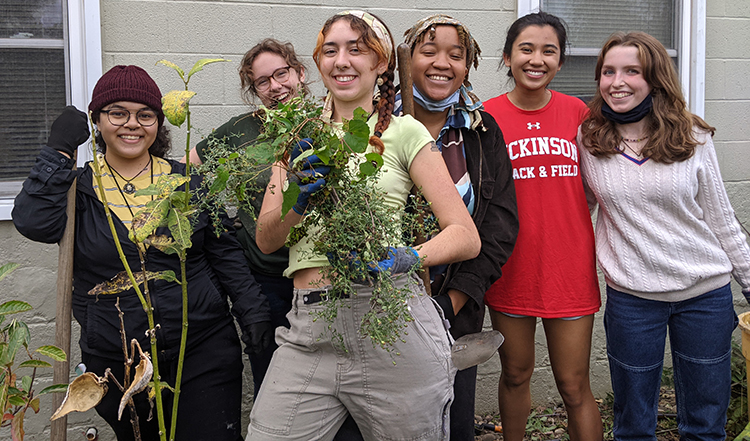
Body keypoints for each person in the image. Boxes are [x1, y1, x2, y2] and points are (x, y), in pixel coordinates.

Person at [246, 10, 481, 441]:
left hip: (392, 320)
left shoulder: (407, 132)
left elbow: (465, 236)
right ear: (317, 63)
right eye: (330, 50)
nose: (342, 61)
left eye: (357, 49)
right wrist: (300, 200)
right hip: (310, 327)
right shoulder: (297, 135)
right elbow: (266, 239)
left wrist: (407, 257)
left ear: (381, 63)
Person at [13, 65, 272, 441]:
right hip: (118, 359)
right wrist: (58, 153)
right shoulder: (78, 190)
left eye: (144, 114)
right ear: (96, 121)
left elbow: (226, 256)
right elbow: (33, 221)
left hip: (202, 350)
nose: (131, 124)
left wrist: (255, 316)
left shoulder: (187, 183)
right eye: (117, 112)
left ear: (158, 123)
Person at [579, 31, 750, 441]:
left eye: (631, 71)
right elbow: (578, 213)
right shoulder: (590, 140)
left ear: (654, 79)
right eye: (608, 71)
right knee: (633, 425)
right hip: (633, 301)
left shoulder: (692, 137)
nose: (616, 81)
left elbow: (723, 220)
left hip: (705, 298)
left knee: (705, 424)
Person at [482, 11, 603, 441]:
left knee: (574, 385)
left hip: (568, 267)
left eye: (548, 50)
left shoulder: (579, 113)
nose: (537, 59)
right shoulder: (485, 117)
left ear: (560, 61)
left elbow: (598, 187)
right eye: (526, 49)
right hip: (510, 267)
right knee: (515, 373)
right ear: (508, 57)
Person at [398, 14, 518, 441]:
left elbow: (499, 226)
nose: (442, 63)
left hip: (455, 311)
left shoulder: (481, 132)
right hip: (383, 309)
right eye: (429, 51)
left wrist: (453, 299)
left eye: (456, 55)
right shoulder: (378, 125)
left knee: (453, 424)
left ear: (468, 65)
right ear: (407, 60)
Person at [182, 38, 308, 397]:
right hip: (266, 277)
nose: (275, 87)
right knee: (273, 378)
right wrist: (219, 225)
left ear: (299, 73)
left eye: (281, 74)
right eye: (262, 82)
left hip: (320, 278)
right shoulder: (240, 130)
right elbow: (186, 173)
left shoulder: (328, 122)